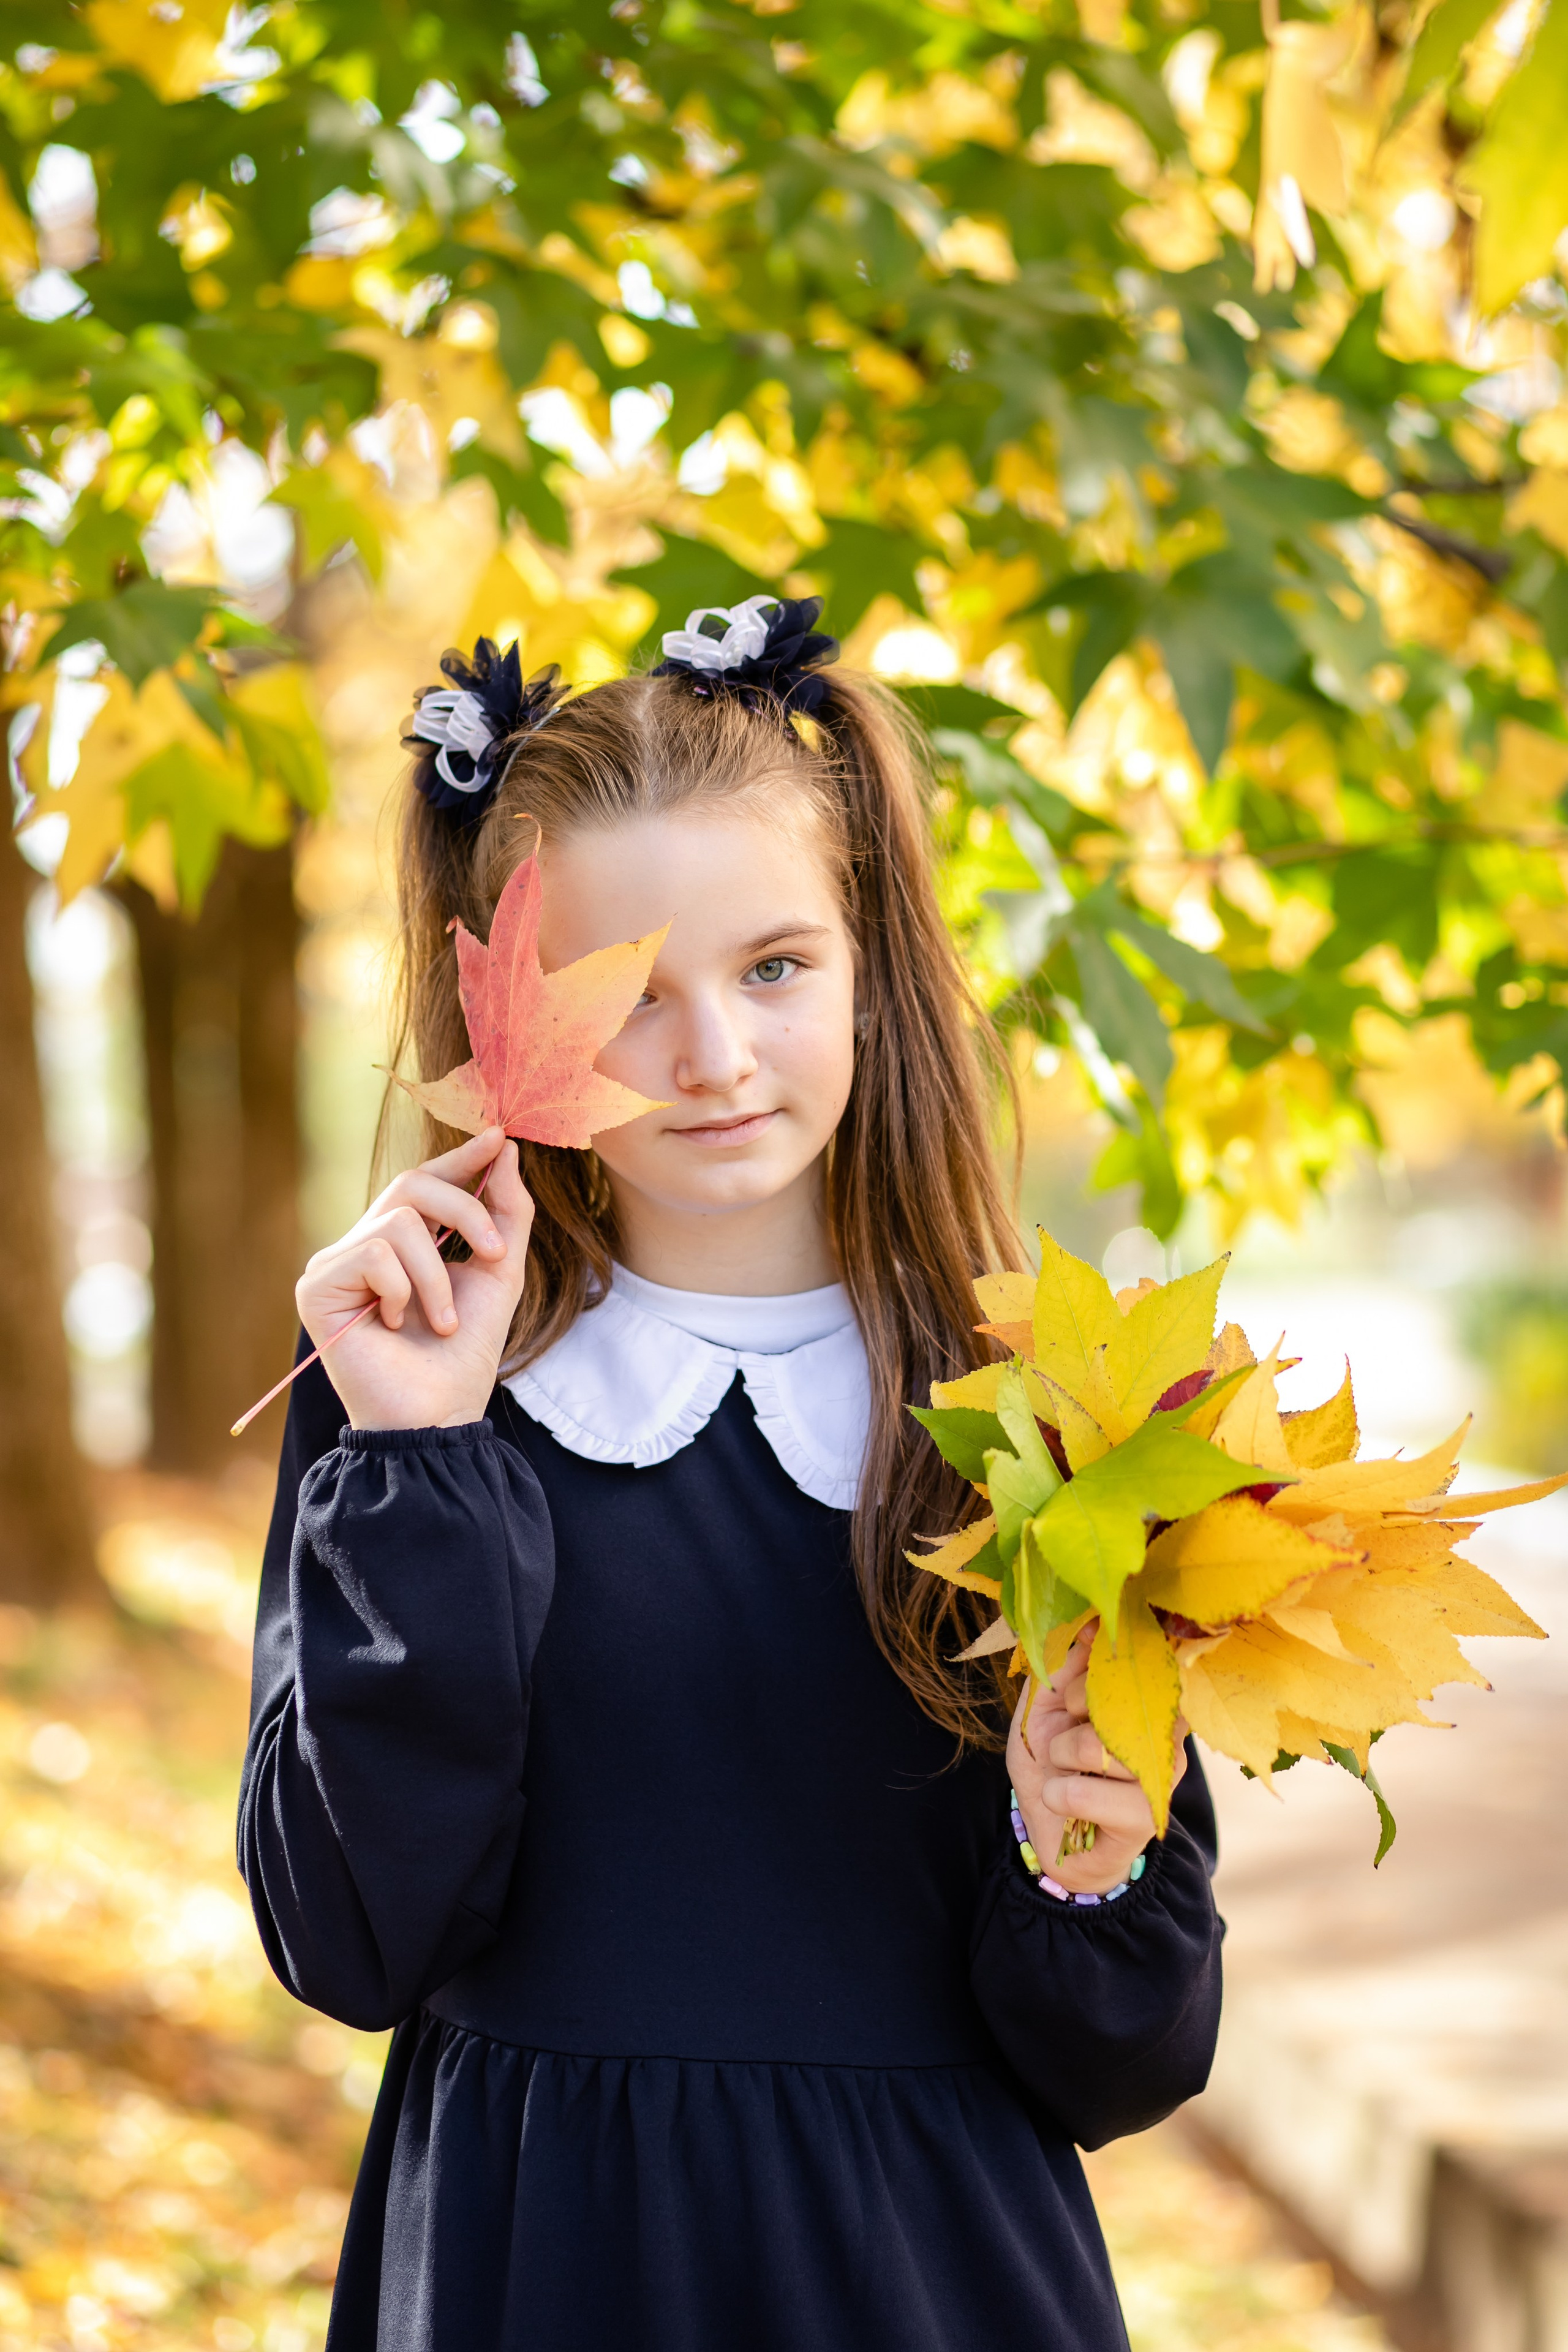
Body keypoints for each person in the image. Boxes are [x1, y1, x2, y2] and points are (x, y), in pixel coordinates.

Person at [239, 597, 1223, 2352]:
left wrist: (1084, 1850)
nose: (711, 1058)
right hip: (532, 2258)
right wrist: (420, 1462)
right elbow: (354, 1949)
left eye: (775, 968)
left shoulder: (1043, 1417)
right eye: (622, 1000)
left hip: (928, 2275)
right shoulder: (411, 1393)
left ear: (872, 965)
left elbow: (1124, 2061)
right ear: (502, 1019)